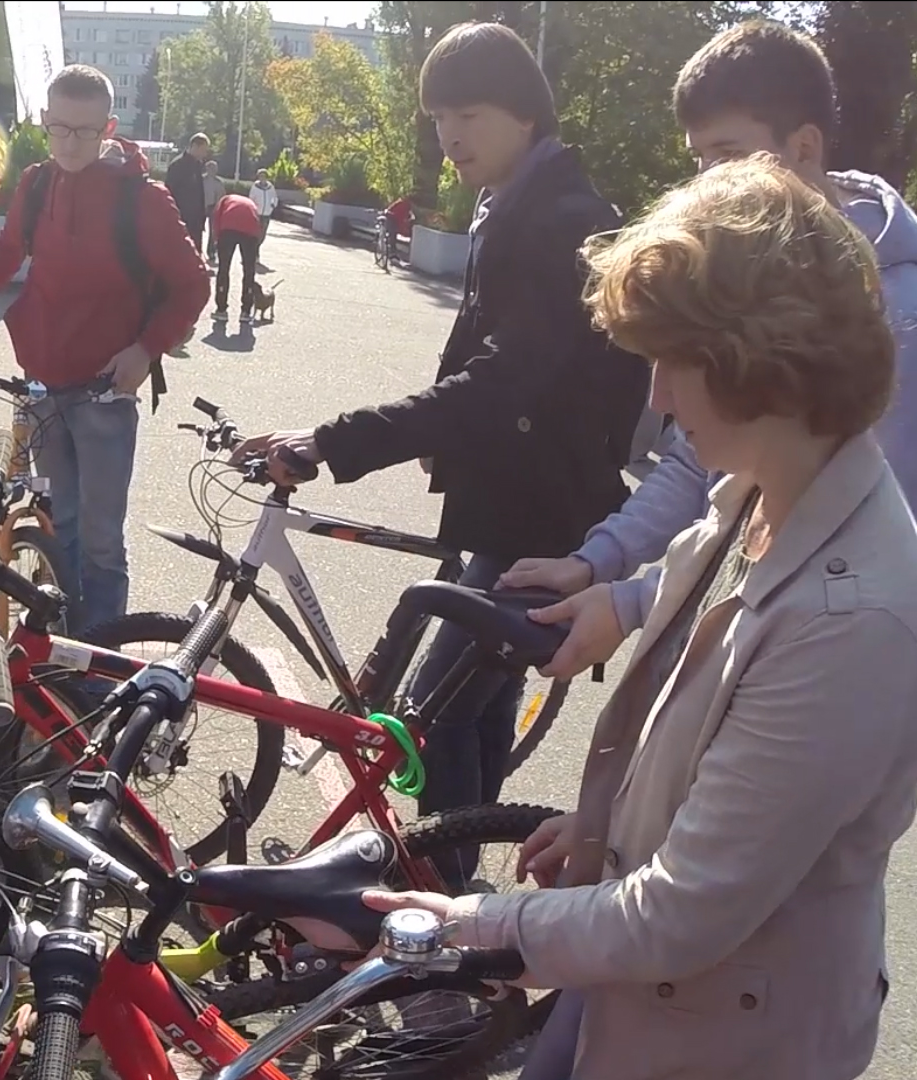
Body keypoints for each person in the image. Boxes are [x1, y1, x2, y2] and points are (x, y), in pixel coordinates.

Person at [369, 155, 917, 1080]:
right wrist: (611, 823)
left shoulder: (851, 620)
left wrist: (470, 924)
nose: (656, 399)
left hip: (727, 1036)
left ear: (763, 361)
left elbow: (682, 914)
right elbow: (693, 619)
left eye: (674, 362)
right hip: (651, 990)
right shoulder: (763, 485)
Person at [229, 23, 649, 845]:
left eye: (468, 114)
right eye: (438, 118)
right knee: (478, 710)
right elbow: (480, 353)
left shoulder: (562, 219)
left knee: (434, 713)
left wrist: (333, 440)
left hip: (540, 516)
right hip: (515, 500)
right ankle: (464, 877)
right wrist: (432, 434)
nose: (449, 135)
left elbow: (503, 379)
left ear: (524, 113)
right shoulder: (516, 202)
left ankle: (444, 893)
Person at [500, 18, 917, 599]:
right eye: (699, 157)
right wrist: (598, 562)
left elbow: (833, 547)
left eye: (729, 154)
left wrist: (634, 603)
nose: (705, 182)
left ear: (804, 148)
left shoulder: (899, 312)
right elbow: (698, 462)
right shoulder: (737, 267)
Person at [0, 65, 209, 633]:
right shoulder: (37, 184)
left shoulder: (143, 199)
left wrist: (146, 350)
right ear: (44, 120)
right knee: (62, 523)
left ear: (109, 127)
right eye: (59, 128)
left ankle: (97, 661)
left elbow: (192, 285)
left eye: (86, 131)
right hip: (42, 384)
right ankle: (63, 645)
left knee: (101, 540)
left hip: (105, 392)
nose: (69, 143)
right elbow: (8, 248)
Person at [209, 189, 265, 324]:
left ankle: (221, 310)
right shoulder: (251, 204)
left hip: (228, 230)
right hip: (250, 232)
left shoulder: (224, 200)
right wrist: (255, 246)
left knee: (224, 269)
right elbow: (258, 223)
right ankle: (245, 311)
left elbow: (216, 219)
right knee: (249, 271)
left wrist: (216, 239)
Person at [165, 132, 212, 252]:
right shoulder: (177, 165)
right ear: (194, 146)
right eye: (203, 150)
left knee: (195, 253)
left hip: (196, 222)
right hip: (181, 220)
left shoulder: (197, 165)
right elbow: (169, 192)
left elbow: (199, 192)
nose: (205, 154)